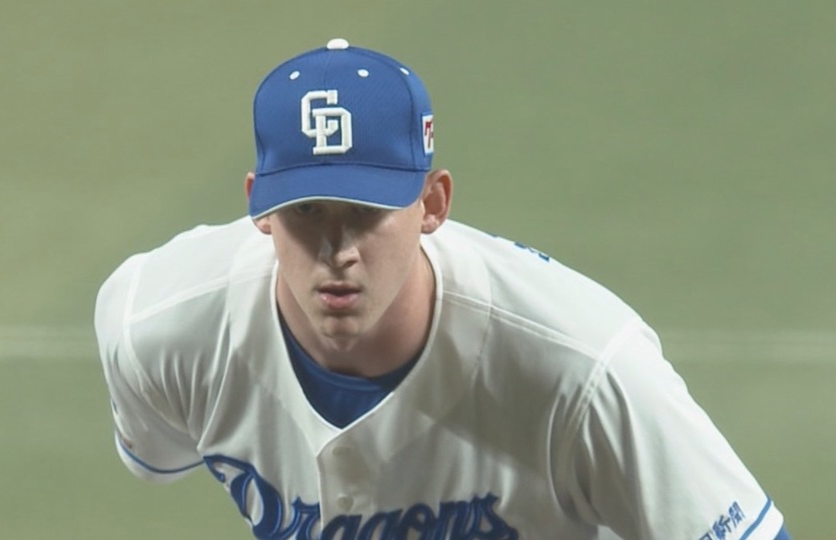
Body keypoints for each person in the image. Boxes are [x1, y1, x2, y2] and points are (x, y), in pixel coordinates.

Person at [94, 38, 790, 540]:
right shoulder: (157, 325)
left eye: (365, 212)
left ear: (432, 204)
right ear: (260, 209)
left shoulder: (588, 370)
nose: (338, 251)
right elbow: (158, 452)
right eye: (307, 211)